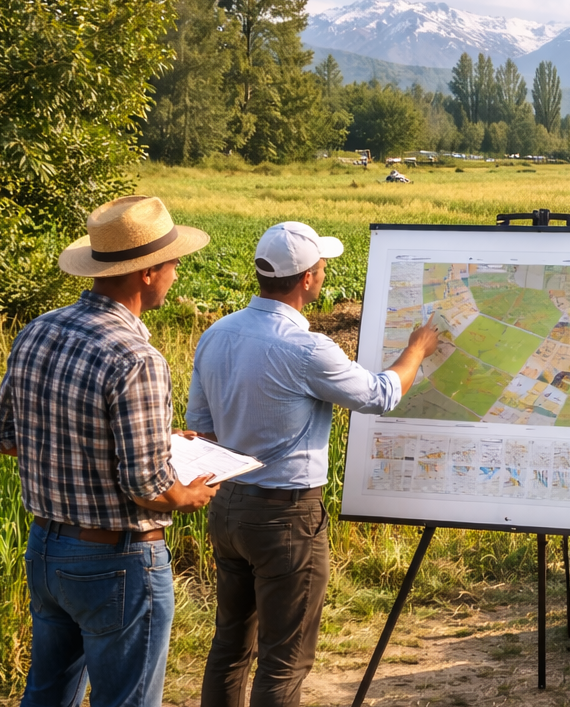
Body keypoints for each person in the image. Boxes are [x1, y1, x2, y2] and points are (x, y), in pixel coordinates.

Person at [188, 222, 439, 707]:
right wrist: (417, 350)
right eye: (322, 266)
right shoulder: (306, 348)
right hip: (286, 518)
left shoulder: (216, 333)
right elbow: (380, 394)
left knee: (230, 648)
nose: (324, 273)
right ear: (307, 279)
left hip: (228, 508)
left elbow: (202, 428)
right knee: (285, 661)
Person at [0, 196, 220, 707]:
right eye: (173, 263)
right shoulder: (136, 356)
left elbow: (4, 436)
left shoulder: (40, 328)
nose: (176, 274)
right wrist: (187, 496)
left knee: (47, 695)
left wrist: (158, 439)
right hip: (117, 558)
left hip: (46, 548)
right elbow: (147, 486)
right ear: (147, 273)